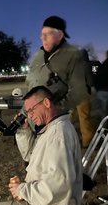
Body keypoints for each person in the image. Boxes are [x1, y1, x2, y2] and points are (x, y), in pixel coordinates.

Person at [25, 15, 95, 147]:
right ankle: (80, 137)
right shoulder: (42, 55)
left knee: (83, 116)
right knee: (78, 117)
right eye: (42, 34)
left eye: (48, 33)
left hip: (73, 96)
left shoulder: (75, 58)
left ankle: (87, 141)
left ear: (60, 35)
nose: (43, 37)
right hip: (45, 107)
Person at [94, 51, 108, 120]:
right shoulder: (97, 64)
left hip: (101, 91)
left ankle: (105, 127)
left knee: (104, 111)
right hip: (104, 90)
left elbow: (95, 76)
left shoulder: (101, 65)